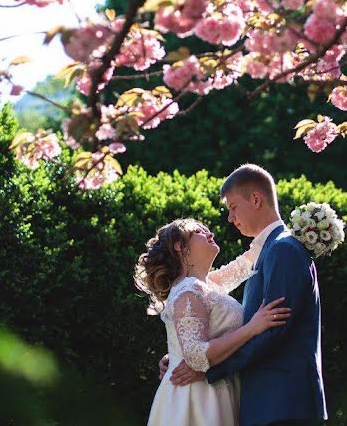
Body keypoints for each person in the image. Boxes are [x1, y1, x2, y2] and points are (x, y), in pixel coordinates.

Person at [166, 164, 327, 426]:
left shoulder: (282, 249)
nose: (229, 218)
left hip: (281, 401)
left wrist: (210, 369)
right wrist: (180, 354)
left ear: (255, 199)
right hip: (266, 401)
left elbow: (273, 330)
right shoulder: (269, 250)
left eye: (232, 207)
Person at [135, 218, 290, 426]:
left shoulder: (208, 284)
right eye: (199, 232)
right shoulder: (189, 291)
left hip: (217, 388)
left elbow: (247, 261)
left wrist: (292, 228)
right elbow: (196, 357)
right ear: (180, 247)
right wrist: (252, 328)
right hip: (198, 397)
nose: (211, 234)